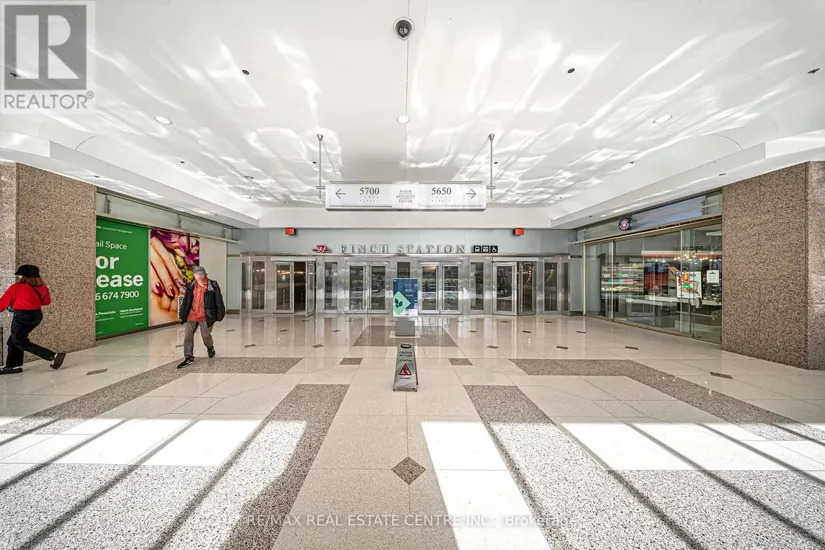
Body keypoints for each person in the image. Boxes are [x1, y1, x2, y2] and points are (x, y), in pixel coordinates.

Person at [0, 265, 66, 374]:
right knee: (14, 340)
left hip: (21, 317)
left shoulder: (16, 288)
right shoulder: (43, 288)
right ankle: (13, 366)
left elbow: (2, 304)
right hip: (36, 316)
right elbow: (46, 302)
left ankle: (52, 356)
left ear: (24, 277)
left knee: (19, 341)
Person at [177, 266, 225, 368]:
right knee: (188, 336)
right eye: (197, 274)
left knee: (205, 336)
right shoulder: (191, 286)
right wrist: (182, 313)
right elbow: (186, 300)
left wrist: (220, 314)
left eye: (201, 274)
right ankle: (188, 357)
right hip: (192, 315)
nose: (199, 276)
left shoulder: (212, 285)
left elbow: (219, 300)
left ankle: (210, 347)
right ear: (194, 275)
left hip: (205, 316)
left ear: (205, 274)